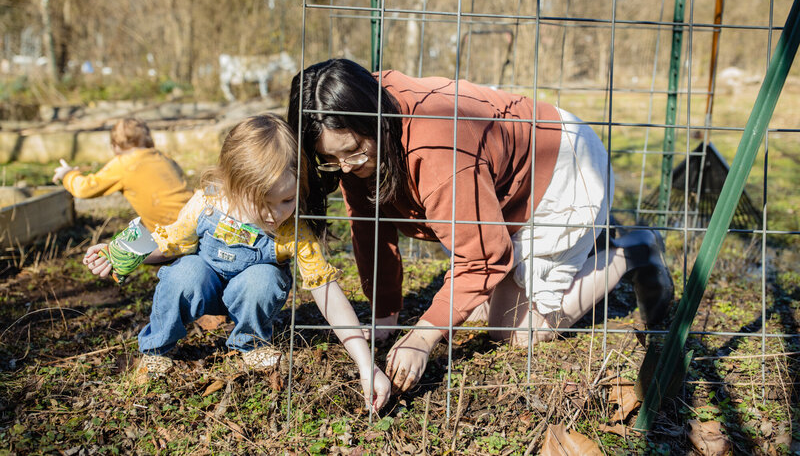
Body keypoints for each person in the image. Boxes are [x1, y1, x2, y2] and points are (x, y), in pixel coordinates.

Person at [287, 59, 673, 393]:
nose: (348, 169)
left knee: (516, 332)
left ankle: (632, 250)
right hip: (500, 186)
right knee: (468, 311)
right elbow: (371, 223)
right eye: (331, 160)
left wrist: (422, 338)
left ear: (374, 118)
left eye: (354, 152)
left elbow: (484, 257)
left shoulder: (436, 150)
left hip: (563, 168)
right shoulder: (353, 109)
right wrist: (385, 313)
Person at [82, 114, 391, 412]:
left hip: (249, 294)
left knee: (265, 278)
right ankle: (157, 350)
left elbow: (326, 290)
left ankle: (250, 342)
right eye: (261, 203)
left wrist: (366, 364)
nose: (275, 215)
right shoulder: (207, 204)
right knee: (185, 272)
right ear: (232, 184)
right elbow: (167, 243)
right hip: (206, 286)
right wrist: (118, 251)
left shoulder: (292, 229)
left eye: (286, 200)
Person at [52, 118, 192, 232]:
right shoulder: (162, 157)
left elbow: (84, 189)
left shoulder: (123, 164)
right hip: (194, 216)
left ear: (115, 146)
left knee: (122, 248)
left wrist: (68, 174)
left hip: (173, 231)